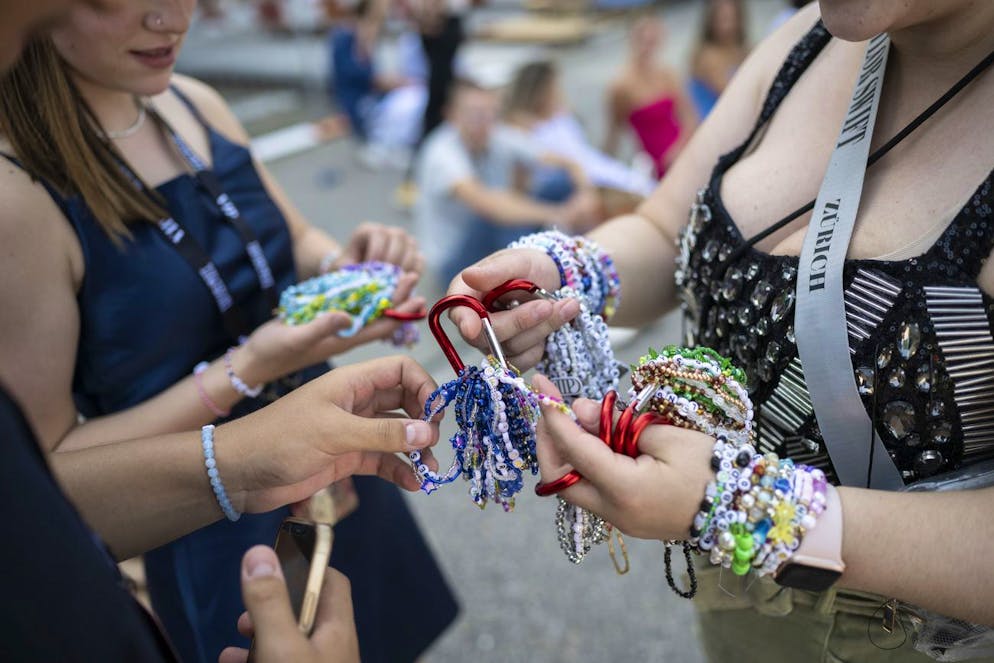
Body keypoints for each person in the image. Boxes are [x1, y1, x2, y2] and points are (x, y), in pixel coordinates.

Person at [448, 1, 994, 660]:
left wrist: (740, 503)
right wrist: (563, 275)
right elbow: (662, 230)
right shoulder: (808, 37)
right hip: (738, 605)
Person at [0, 2, 457, 662]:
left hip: (334, 459)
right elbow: (46, 473)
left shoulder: (191, 100)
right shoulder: (19, 193)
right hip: (204, 518)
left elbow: (287, 234)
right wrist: (248, 366)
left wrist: (344, 266)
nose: (171, 18)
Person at [415, 79, 597, 285]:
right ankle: (535, 277)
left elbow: (568, 163)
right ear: (451, 115)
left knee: (559, 182)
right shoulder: (442, 152)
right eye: (475, 113)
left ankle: (549, 259)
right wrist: (558, 213)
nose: (483, 120)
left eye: (490, 113)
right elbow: (488, 205)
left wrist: (585, 194)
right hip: (455, 259)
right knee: (501, 215)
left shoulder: (497, 135)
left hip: (498, 229)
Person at [505, 60, 657, 201]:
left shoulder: (560, 114)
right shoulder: (522, 124)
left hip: (592, 166)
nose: (557, 90)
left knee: (641, 187)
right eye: (552, 86)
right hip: (576, 178)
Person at [329, 0, 426, 169]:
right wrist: (399, 81)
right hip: (360, 105)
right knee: (413, 97)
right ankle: (381, 145)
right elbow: (364, 75)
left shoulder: (371, 34)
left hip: (372, 100)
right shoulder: (346, 36)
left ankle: (391, 145)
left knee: (414, 97)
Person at [605, 16, 698, 179]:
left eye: (652, 42)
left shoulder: (667, 74)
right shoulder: (621, 86)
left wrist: (678, 149)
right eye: (643, 41)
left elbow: (689, 117)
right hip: (655, 161)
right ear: (632, 41)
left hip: (680, 149)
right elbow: (614, 134)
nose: (647, 48)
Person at [689, 0, 748, 119]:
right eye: (723, 20)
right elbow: (731, 94)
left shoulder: (739, 48)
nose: (728, 25)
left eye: (732, 18)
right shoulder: (705, 55)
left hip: (738, 114)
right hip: (715, 121)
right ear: (711, 22)